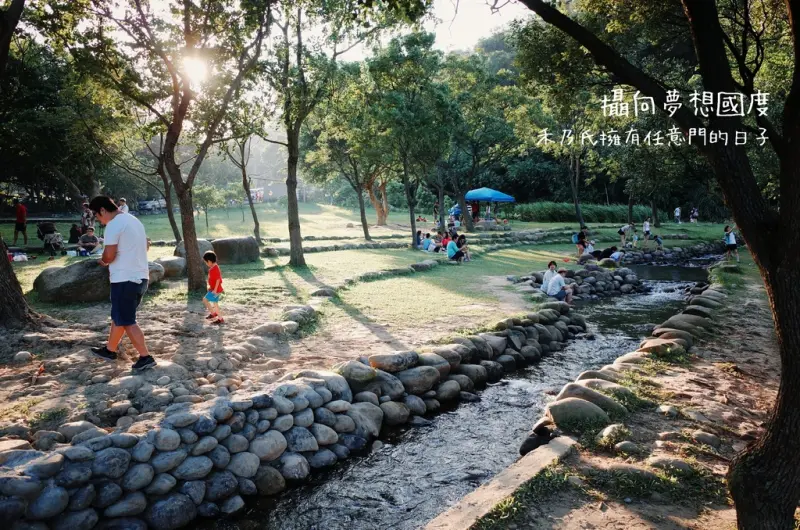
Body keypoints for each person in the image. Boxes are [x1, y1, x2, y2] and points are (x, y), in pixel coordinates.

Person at [89, 196, 155, 371]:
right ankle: (110, 350)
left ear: (103, 210)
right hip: (140, 276)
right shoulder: (133, 220)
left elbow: (109, 255)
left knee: (127, 320)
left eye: (97, 215)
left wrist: (103, 260)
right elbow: (146, 245)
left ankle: (145, 357)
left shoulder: (114, 224)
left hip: (125, 278)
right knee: (120, 317)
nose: (98, 220)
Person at [203, 250, 225, 324]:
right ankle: (216, 316)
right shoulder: (214, 268)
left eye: (206, 262)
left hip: (216, 290)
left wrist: (215, 290)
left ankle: (217, 316)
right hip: (213, 289)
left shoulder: (215, 268)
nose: (206, 264)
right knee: (213, 302)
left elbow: (218, 279)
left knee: (207, 301)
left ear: (209, 261)